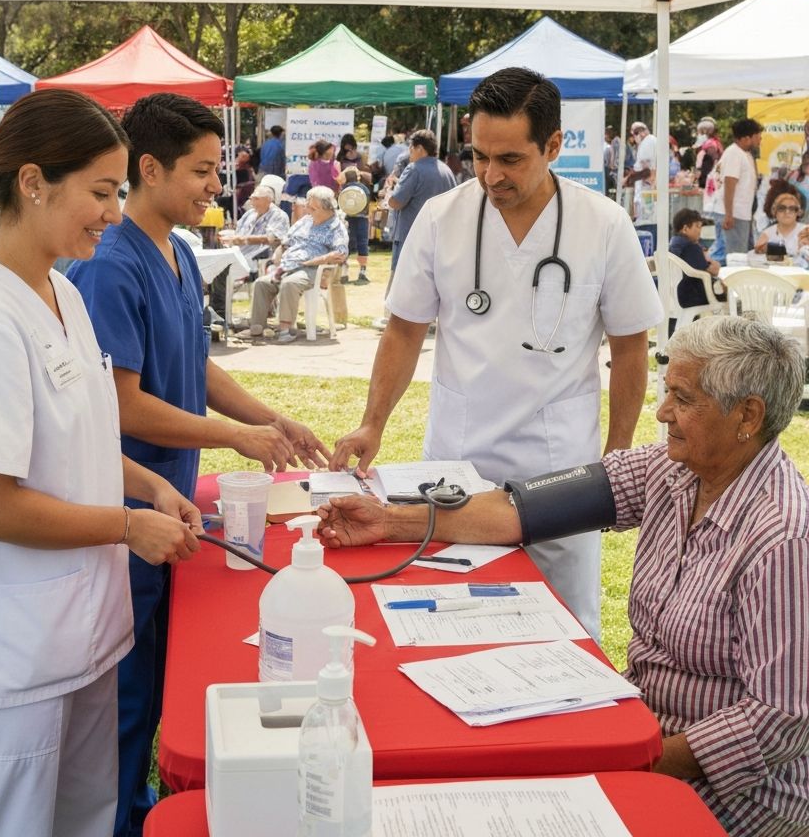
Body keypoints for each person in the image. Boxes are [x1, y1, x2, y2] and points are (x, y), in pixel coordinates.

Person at [319, 315, 809, 837]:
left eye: (683, 399)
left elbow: (779, 718)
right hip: (637, 730)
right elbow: (520, 511)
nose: (663, 411)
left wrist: (627, 760)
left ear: (747, 415)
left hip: (731, 795)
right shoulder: (672, 470)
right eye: (667, 392)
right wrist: (392, 521)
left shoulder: (782, 538)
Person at [0, 88, 201, 837]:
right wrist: (127, 525)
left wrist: (150, 485)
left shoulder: (62, 290)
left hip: (77, 636)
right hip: (4, 654)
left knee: (85, 823)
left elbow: (80, 436)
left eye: (118, 192)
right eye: (100, 193)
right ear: (33, 183)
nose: (113, 213)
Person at [67, 91, 329, 837]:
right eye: (203, 171)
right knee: (123, 695)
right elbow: (120, 406)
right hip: (127, 509)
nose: (217, 185)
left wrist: (268, 419)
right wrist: (233, 438)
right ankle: (117, 819)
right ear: (149, 169)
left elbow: (196, 363)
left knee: (154, 683)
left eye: (218, 170)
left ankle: (137, 804)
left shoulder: (180, 251)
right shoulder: (111, 265)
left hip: (172, 501)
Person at [330, 67, 662, 640]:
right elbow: (404, 331)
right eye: (480, 156)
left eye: (510, 159)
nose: (491, 174)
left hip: (559, 466)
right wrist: (372, 422)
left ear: (553, 146)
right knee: (456, 624)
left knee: (562, 630)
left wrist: (616, 457)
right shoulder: (442, 218)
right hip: (461, 459)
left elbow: (631, 348)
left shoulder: (603, 225)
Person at [238, 185, 349, 343]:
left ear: (327, 208)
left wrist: (314, 261)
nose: (308, 210)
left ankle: (286, 329)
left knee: (289, 283)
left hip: (311, 269)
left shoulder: (335, 227)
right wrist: (278, 255)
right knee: (261, 283)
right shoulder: (306, 221)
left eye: (312, 208)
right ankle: (256, 327)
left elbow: (340, 254)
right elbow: (286, 241)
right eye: (308, 206)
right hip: (288, 265)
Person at [209, 183, 290, 319]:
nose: (252, 201)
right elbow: (238, 233)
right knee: (213, 264)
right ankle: (216, 311)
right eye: (251, 198)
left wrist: (243, 240)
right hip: (239, 253)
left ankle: (220, 313)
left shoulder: (279, 216)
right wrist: (229, 235)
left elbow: (273, 239)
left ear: (268, 200)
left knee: (222, 271)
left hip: (261, 257)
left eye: (256, 198)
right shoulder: (250, 214)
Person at [385, 128, 456, 272]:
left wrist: (388, 192)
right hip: (438, 240)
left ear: (420, 148)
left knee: (402, 281)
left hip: (411, 238)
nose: (409, 152)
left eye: (411, 148)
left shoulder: (414, 169)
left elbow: (396, 202)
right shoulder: (446, 171)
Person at [709, 117, 763, 264]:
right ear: (746, 138)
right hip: (733, 214)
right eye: (758, 136)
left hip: (741, 214)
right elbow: (730, 183)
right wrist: (729, 214)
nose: (760, 140)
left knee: (739, 255)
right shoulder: (734, 154)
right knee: (732, 257)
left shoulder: (745, 154)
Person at [668, 208, 725, 309]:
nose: (700, 231)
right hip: (693, 295)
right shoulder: (691, 247)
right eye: (697, 226)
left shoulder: (673, 245)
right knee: (727, 290)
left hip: (674, 295)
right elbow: (712, 270)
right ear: (685, 228)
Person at [339, 164, 373, 285]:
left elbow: (341, 204)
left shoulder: (344, 189)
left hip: (348, 219)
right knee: (363, 244)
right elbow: (366, 204)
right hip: (362, 219)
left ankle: (344, 272)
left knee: (346, 244)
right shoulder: (364, 189)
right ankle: (362, 272)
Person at [626, 121, 656, 220]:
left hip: (645, 188)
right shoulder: (649, 141)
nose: (634, 137)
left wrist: (630, 178)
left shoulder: (647, 142)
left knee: (644, 216)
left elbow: (647, 171)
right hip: (646, 189)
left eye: (635, 133)